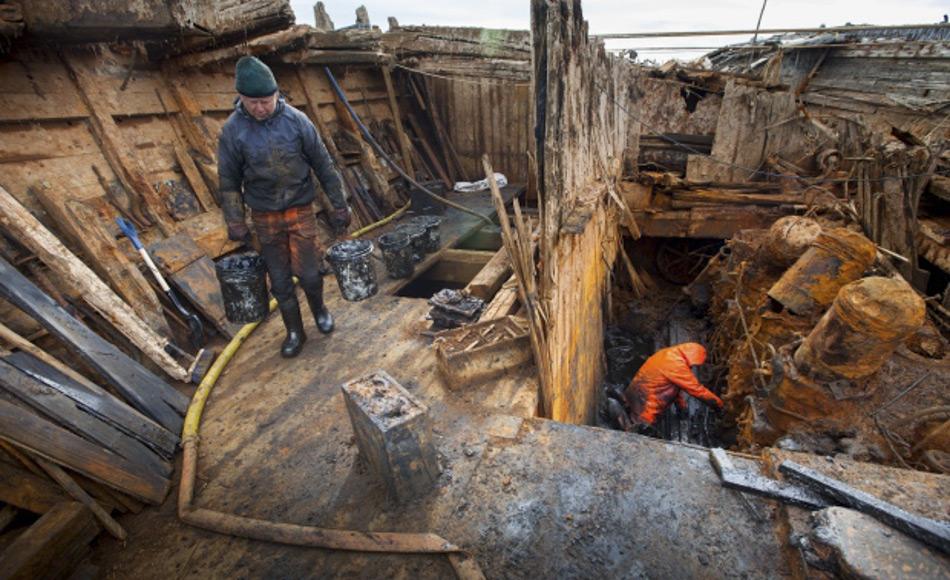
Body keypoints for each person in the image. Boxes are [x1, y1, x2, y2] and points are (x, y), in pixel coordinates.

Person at [218, 56, 352, 358]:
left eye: (266, 101)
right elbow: (228, 179)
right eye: (253, 102)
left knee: (308, 273)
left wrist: (339, 205)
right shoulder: (232, 131)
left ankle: (320, 312)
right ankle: (295, 331)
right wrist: (235, 219)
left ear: (277, 94)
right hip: (264, 214)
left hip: (299, 206)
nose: (260, 108)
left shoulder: (297, 121)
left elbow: (323, 165)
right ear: (241, 98)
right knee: (279, 280)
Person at [622, 342, 723, 430]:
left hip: (634, 391)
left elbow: (674, 387)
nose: (692, 367)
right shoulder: (677, 365)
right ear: (693, 358)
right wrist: (719, 405)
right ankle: (628, 428)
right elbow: (697, 390)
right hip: (645, 401)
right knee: (642, 430)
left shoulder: (667, 354)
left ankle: (626, 413)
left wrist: (681, 406)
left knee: (634, 411)